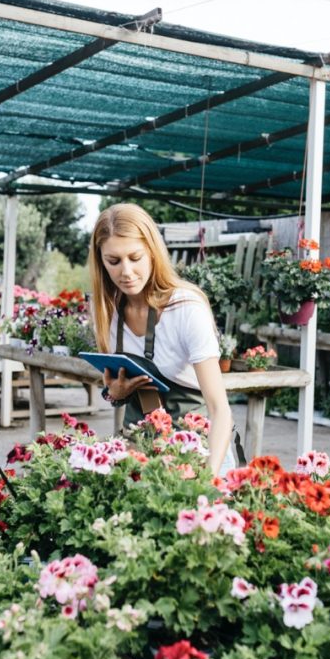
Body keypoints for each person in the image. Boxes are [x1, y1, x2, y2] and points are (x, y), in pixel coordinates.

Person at [88, 203, 236, 474]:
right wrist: (115, 394)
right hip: (141, 449)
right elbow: (114, 389)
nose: (127, 272)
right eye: (114, 261)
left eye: (135, 257)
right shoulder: (107, 311)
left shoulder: (185, 308)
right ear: (100, 262)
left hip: (197, 452)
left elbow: (220, 411)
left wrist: (208, 476)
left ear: (153, 253)